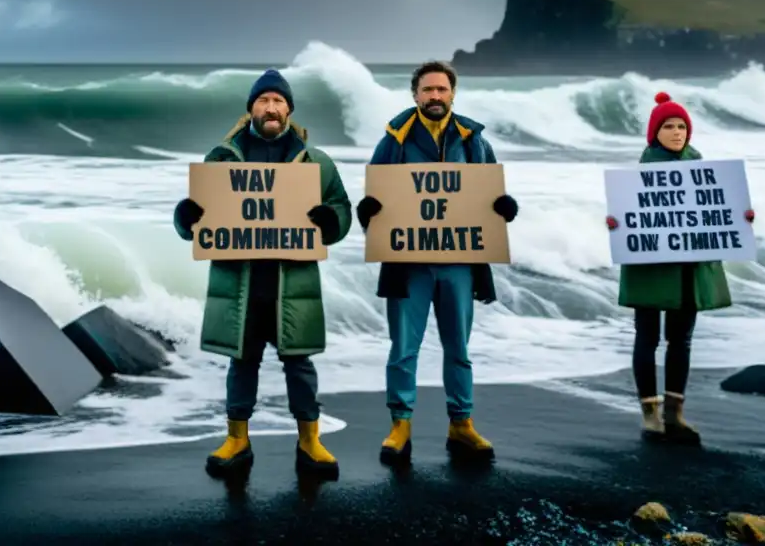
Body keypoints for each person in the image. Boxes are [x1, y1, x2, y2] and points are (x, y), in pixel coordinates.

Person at [173, 69, 352, 479]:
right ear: (251, 107)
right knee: (242, 362)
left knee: (300, 365)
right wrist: (185, 218)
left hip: (293, 283)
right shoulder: (221, 158)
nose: (270, 107)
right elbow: (197, 219)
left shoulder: (317, 163)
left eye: (278, 100)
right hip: (242, 283)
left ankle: (310, 440)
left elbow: (342, 211)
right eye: (262, 100)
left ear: (289, 109)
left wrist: (330, 220)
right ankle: (237, 438)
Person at [356, 60, 518, 465]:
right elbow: (375, 193)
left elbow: (490, 193)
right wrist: (368, 210)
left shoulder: (474, 141)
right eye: (427, 90)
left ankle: (461, 423)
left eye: (441, 90)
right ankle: (400, 424)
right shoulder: (394, 139)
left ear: (452, 94)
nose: (434, 97)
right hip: (408, 263)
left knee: (458, 347)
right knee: (403, 348)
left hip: (459, 263)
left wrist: (504, 207)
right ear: (414, 95)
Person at [607, 91, 753, 445]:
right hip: (650, 267)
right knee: (647, 337)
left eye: (682, 126)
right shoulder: (643, 171)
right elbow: (631, 214)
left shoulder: (702, 168)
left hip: (689, 267)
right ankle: (650, 413)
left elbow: (716, 211)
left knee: (681, 340)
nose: (676, 132)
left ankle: (675, 412)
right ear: (654, 133)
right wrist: (616, 224)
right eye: (669, 126)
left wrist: (741, 218)